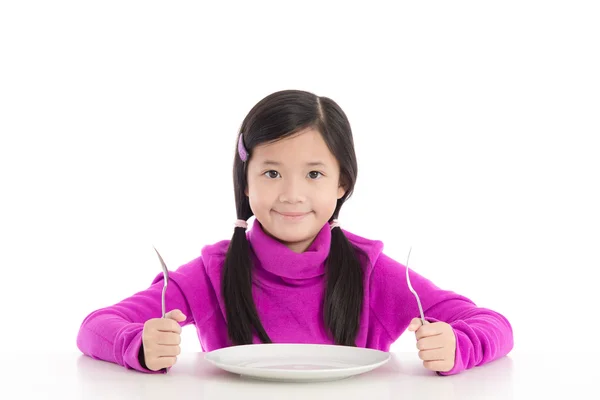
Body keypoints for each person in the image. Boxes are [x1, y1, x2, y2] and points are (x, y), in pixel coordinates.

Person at [76, 89, 513, 376]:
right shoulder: (212, 273)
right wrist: (138, 344)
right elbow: (95, 327)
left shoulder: (372, 272)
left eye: (315, 174)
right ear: (244, 184)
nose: (291, 194)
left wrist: (458, 345)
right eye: (270, 172)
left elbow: (494, 325)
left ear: (343, 184)